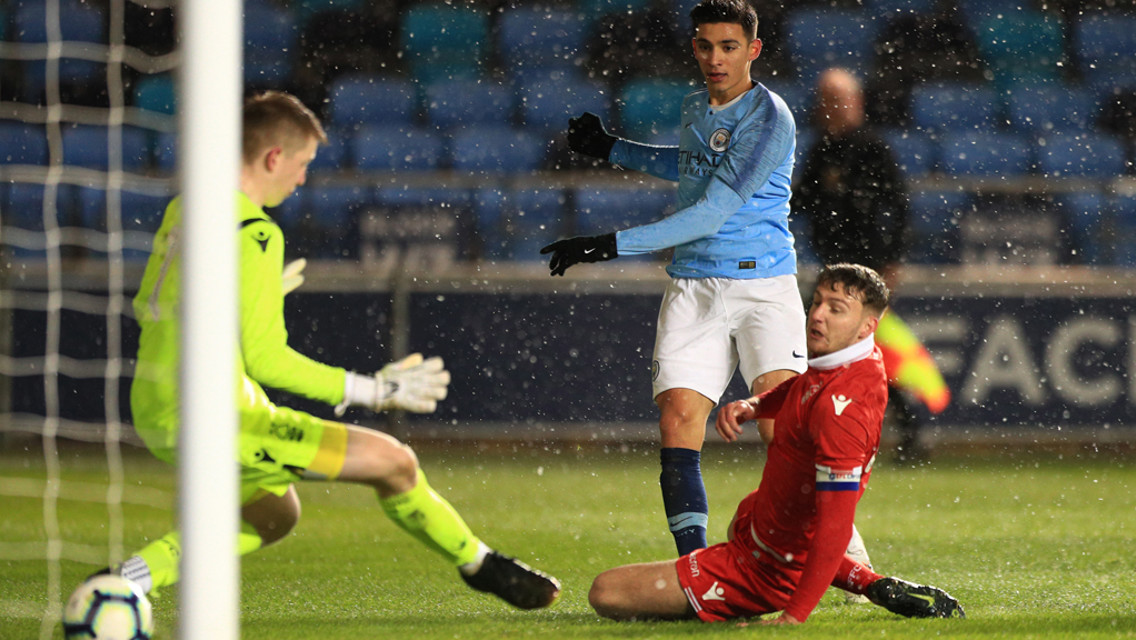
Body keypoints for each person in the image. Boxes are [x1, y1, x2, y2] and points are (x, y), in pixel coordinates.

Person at [89, 91, 560, 611]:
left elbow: (151, 303)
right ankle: (479, 563)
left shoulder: (189, 209)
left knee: (273, 513)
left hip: (156, 401)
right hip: (213, 414)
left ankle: (127, 578)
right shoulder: (255, 232)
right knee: (394, 462)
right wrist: (375, 389)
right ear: (273, 158)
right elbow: (268, 360)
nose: (303, 178)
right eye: (302, 164)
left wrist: (249, 296)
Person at [542, 0, 807, 557]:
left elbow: (713, 211)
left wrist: (606, 244)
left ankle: (839, 553)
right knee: (679, 419)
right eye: (706, 46)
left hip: (764, 286)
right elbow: (687, 164)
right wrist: (610, 148)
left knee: (780, 426)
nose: (716, 58)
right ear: (694, 47)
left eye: (729, 47)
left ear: (753, 50)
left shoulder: (769, 115)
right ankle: (694, 565)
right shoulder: (695, 106)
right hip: (693, 283)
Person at [586, 264, 964, 624]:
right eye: (817, 302)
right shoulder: (850, 359)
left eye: (836, 309)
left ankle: (742, 595)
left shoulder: (844, 414)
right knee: (748, 512)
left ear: (868, 327)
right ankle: (872, 584)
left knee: (606, 592)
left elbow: (834, 529)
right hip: (762, 534)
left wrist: (792, 618)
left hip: (763, 571)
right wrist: (756, 405)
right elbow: (804, 385)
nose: (818, 315)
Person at [794, 68, 949, 462]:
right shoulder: (821, 150)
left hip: (863, 270)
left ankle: (863, 432)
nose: (832, 108)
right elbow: (802, 201)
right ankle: (885, 432)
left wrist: (892, 259)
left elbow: (897, 206)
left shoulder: (872, 149)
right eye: (827, 99)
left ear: (857, 103)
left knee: (843, 350)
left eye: (839, 99)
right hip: (833, 267)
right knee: (852, 351)